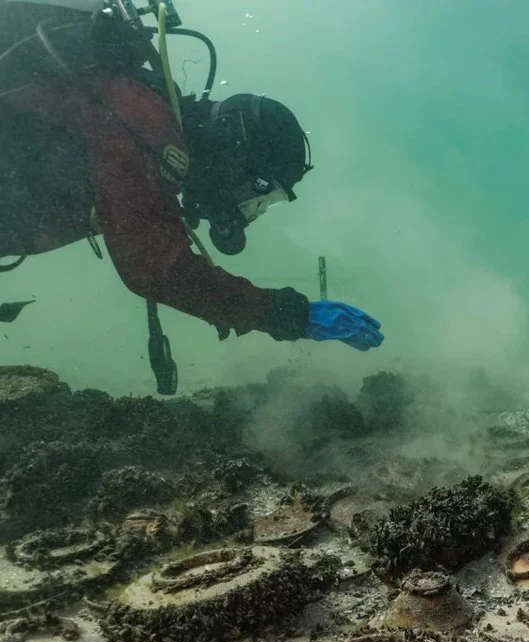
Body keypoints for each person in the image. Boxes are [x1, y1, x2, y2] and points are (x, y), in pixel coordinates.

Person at [0, 0, 381, 394]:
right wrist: (290, 315)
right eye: (257, 193)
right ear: (235, 150)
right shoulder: (146, 123)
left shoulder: (145, 116)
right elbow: (156, 268)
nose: (246, 212)